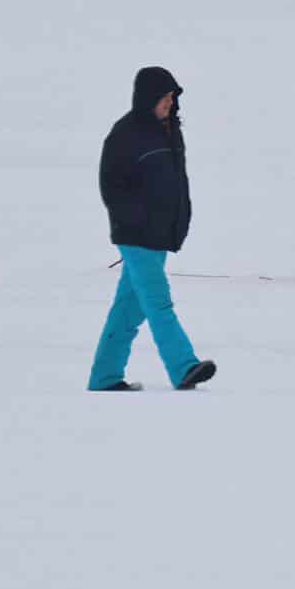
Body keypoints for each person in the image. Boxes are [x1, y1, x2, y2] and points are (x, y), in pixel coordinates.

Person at [88, 65, 216, 393]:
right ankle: (183, 366)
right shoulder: (125, 133)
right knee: (158, 302)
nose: (170, 103)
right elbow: (112, 188)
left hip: (158, 235)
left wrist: (178, 221)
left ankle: (104, 378)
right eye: (164, 97)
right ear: (147, 98)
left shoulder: (170, 131)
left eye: (173, 97)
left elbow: (177, 184)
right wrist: (137, 219)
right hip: (135, 235)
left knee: (127, 312)